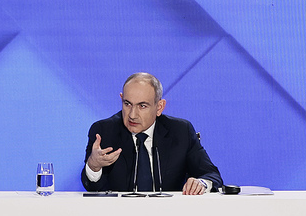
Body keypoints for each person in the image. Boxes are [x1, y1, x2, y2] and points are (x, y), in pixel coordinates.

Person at [82, 72, 222, 195]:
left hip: (169, 214)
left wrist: (201, 183)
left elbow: (211, 174)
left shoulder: (180, 131)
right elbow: (92, 188)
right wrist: (93, 166)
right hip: (119, 214)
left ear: (159, 107)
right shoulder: (104, 131)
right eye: (127, 104)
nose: (132, 115)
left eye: (142, 106)